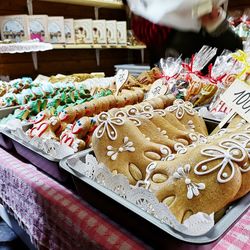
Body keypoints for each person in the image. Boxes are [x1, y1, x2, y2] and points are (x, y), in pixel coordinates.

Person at [123, 0, 243, 67]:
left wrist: (214, 24)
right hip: (171, 91)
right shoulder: (148, 25)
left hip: (202, 91)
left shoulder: (188, 13)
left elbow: (235, 49)